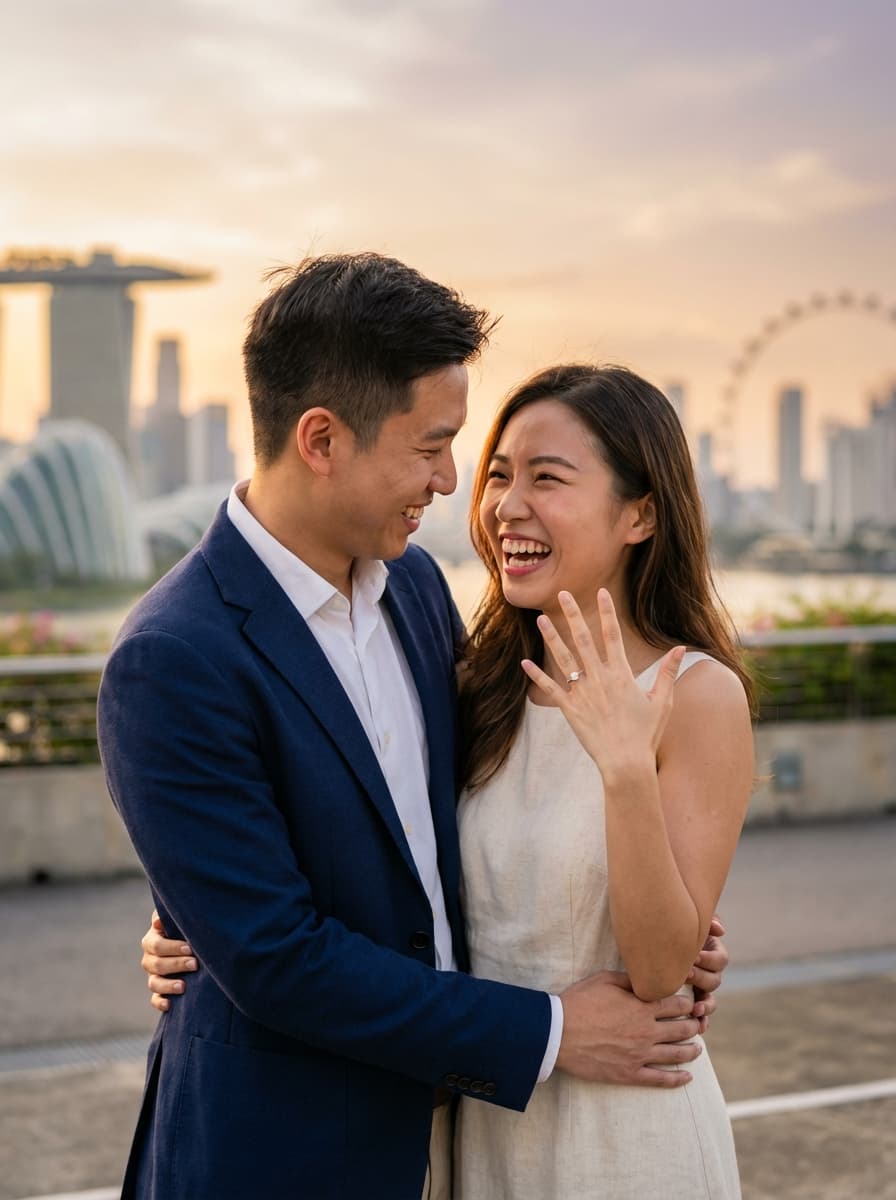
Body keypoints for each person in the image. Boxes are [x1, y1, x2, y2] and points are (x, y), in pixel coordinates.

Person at [103, 252, 728, 1200]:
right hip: (284, 1156)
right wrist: (556, 1028)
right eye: (433, 446)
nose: (451, 484)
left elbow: (425, 849)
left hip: (464, 1144)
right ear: (322, 439)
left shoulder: (420, 595)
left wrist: (666, 931)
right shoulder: (172, 655)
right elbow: (274, 957)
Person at [452, 363, 754, 1197]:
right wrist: (195, 929)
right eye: (499, 475)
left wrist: (625, 770)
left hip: (626, 1140)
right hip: (483, 1125)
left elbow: (662, 971)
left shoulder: (698, 695)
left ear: (640, 514)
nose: (508, 505)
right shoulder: (473, 685)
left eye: (547, 478)